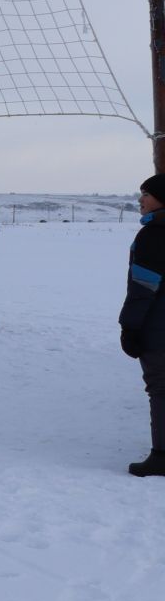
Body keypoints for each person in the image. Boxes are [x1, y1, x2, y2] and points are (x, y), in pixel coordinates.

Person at [119, 174, 165, 476]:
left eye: (146, 194)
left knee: (160, 387)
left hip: (157, 326)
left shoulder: (154, 234)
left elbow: (143, 287)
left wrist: (130, 327)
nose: (141, 199)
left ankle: (162, 455)